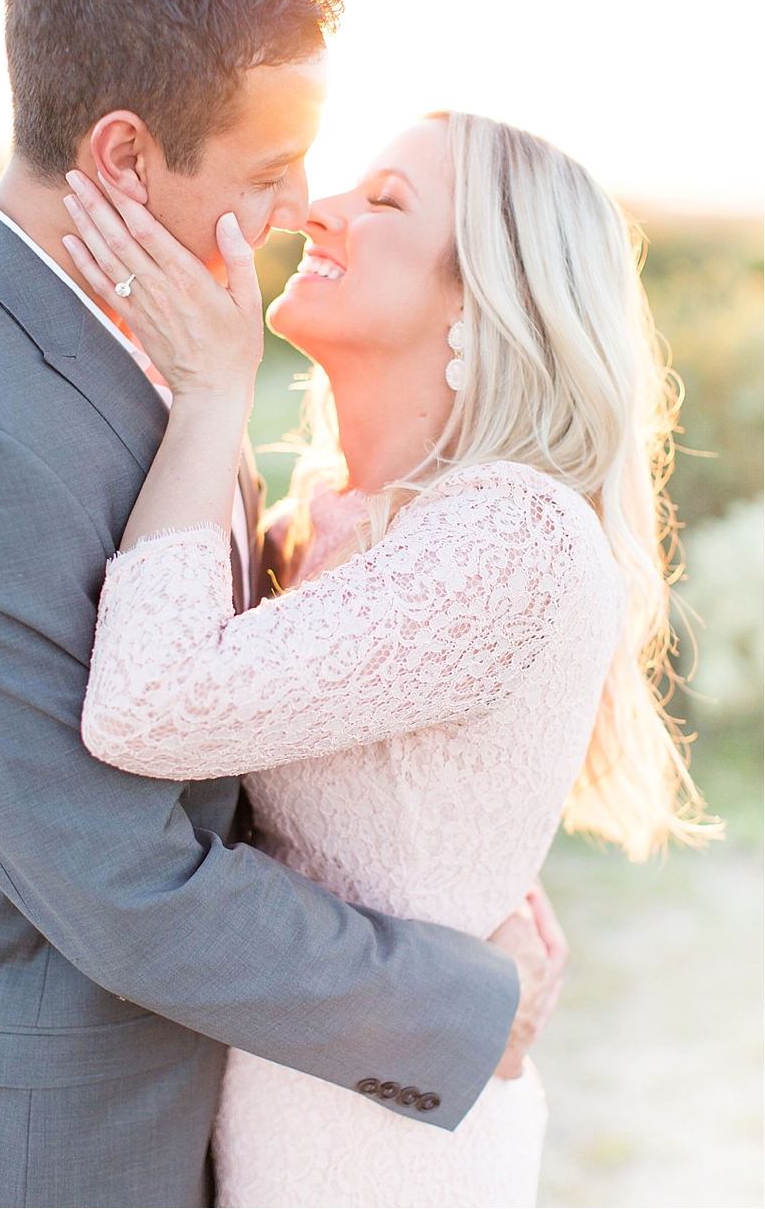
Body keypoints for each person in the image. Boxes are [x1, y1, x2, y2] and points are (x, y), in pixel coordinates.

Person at [0, 0, 566, 1205]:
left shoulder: (158, 333)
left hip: (242, 1103)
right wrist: (459, 993)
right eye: (267, 172)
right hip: (72, 1144)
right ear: (120, 156)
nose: (295, 208)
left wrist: (460, 867)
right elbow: (124, 887)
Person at [71, 110, 718, 1204]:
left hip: (383, 1155)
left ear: (481, 296)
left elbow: (141, 709)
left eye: (384, 202)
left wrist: (214, 389)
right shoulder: (339, 523)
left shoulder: (508, 533)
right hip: (294, 1107)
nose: (317, 207)